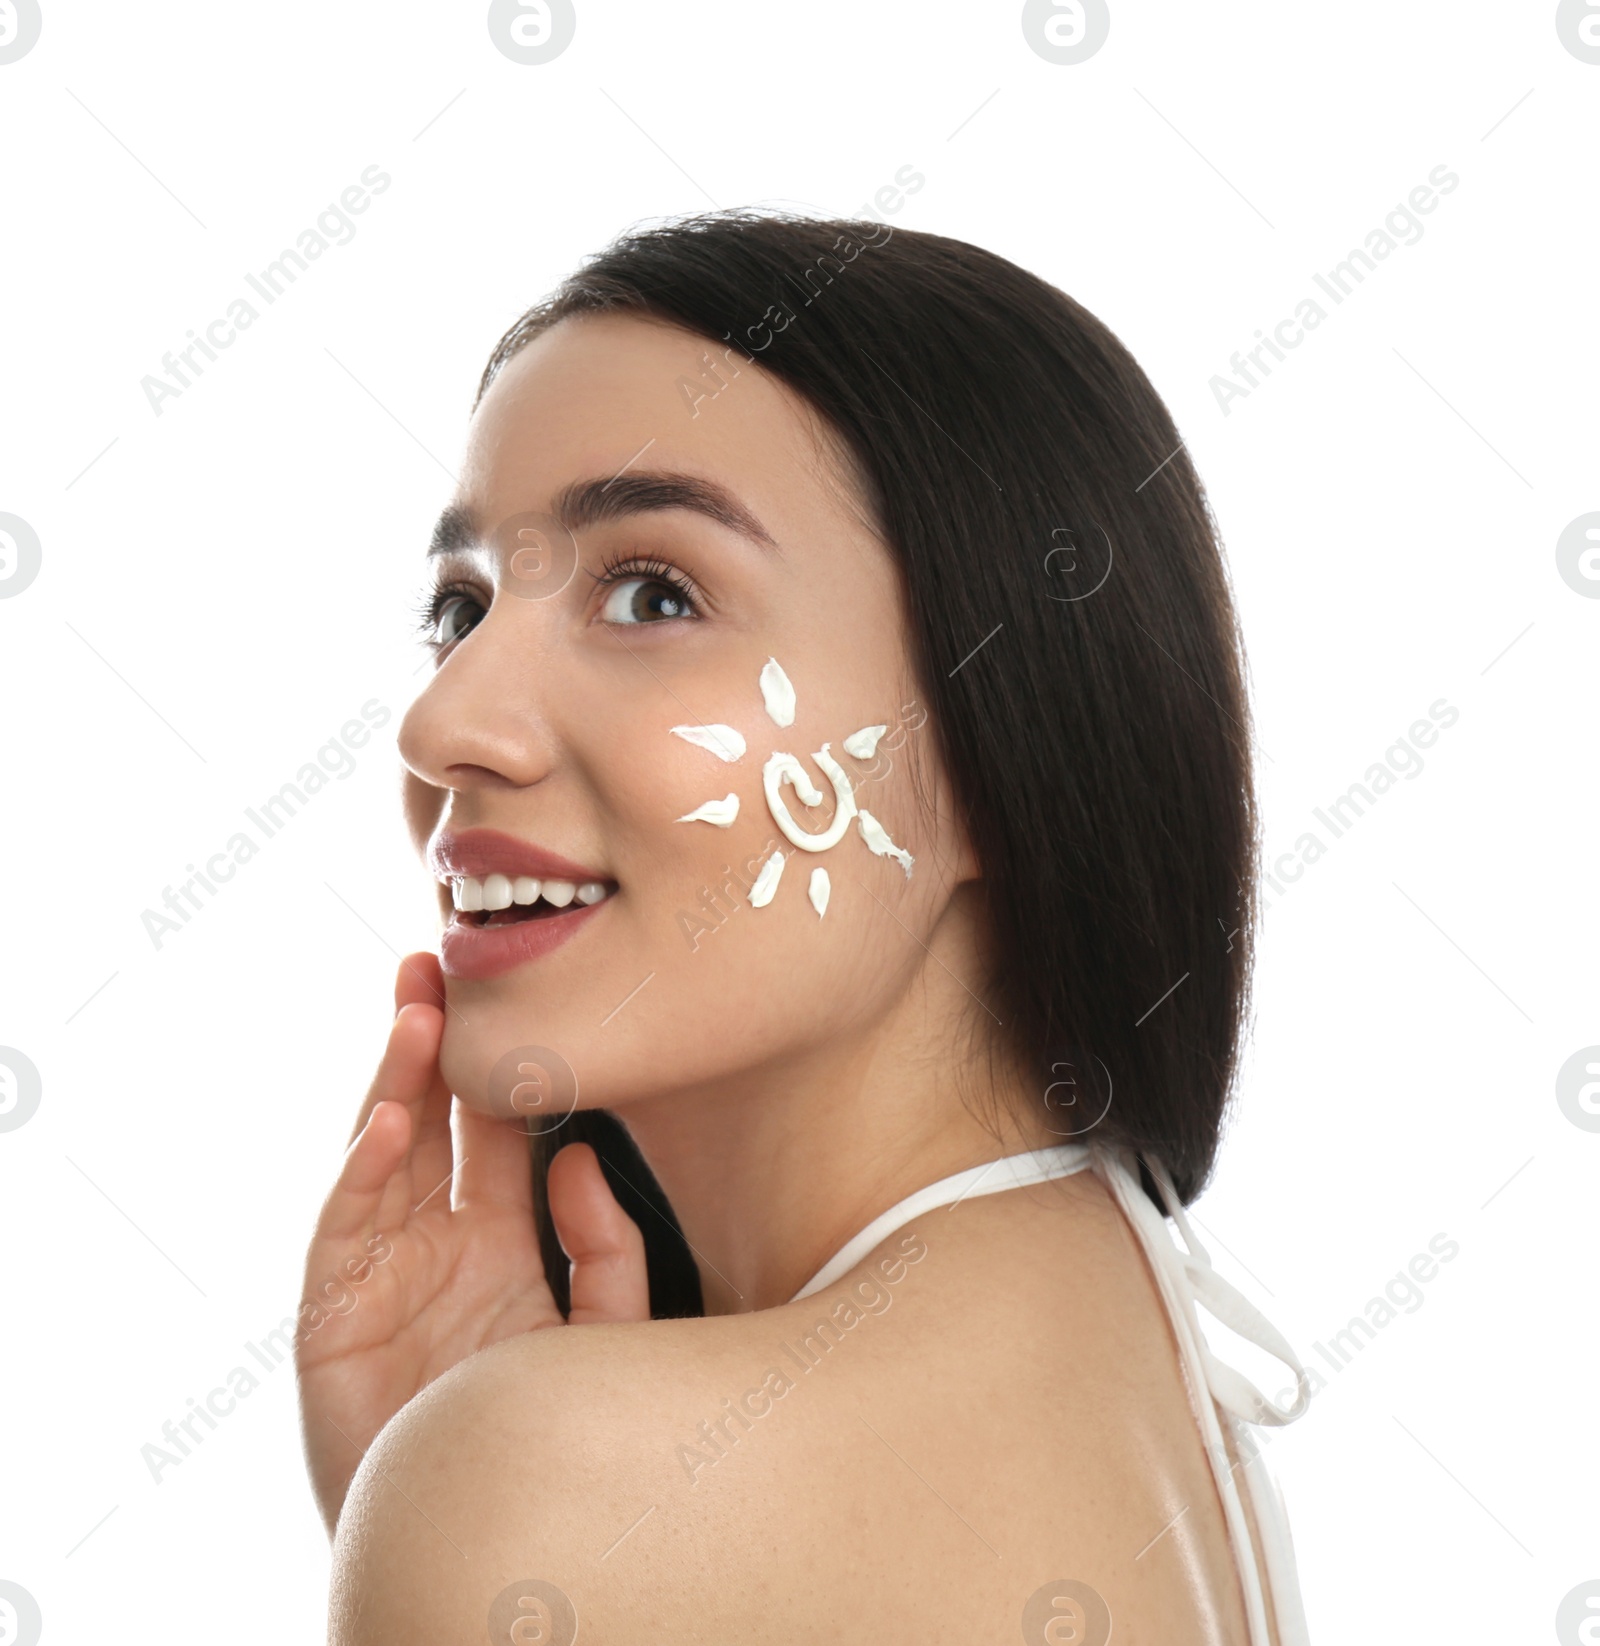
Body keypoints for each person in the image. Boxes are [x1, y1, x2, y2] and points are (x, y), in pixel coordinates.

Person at [296, 210, 1312, 1644]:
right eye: (460, 607)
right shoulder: (1128, 1356)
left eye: (652, 591)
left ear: (992, 755)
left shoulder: (550, 1497)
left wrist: (477, 1499)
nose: (444, 721)